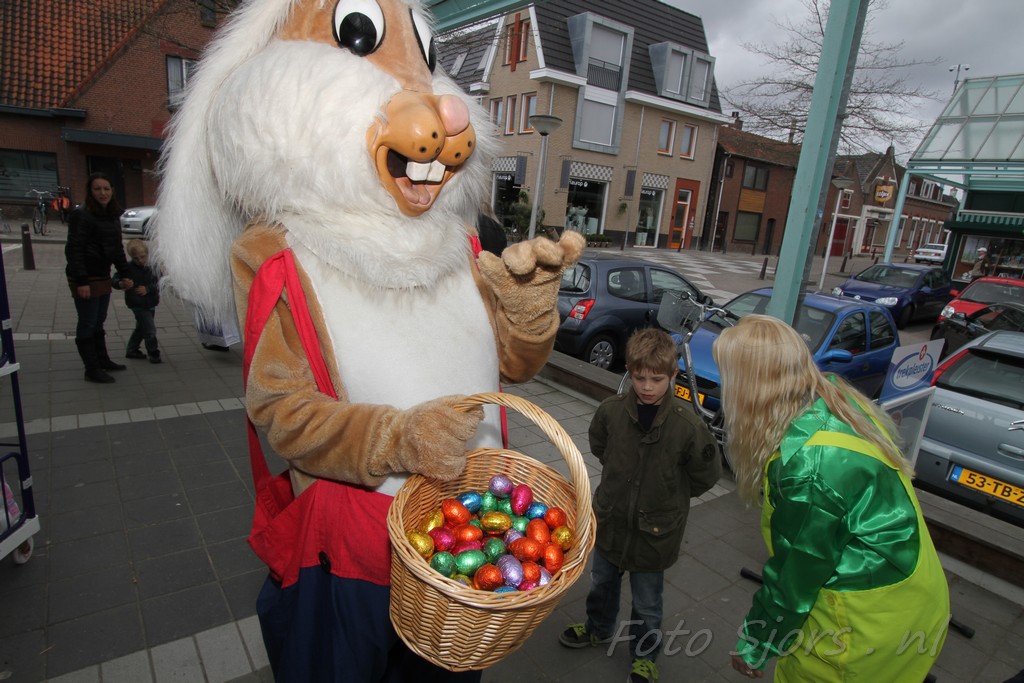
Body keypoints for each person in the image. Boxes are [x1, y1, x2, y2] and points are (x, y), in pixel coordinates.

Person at [712, 315, 949, 681]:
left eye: (729, 376)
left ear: (751, 386)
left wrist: (755, 644)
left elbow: (796, 576)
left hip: (863, 626)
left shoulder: (808, 469)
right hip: (910, 595)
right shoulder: (834, 398)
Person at [559, 328, 721, 683]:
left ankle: (645, 656)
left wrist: (670, 495)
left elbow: (706, 475)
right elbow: (600, 446)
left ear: (674, 375)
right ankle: (598, 627)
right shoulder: (611, 412)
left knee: (648, 602)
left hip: (655, 534)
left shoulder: (687, 427)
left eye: (657, 379)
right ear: (629, 372)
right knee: (602, 584)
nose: (647, 387)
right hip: (612, 522)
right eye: (639, 377)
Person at [65, 172, 133, 384]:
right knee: (88, 322)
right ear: (90, 191)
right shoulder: (82, 215)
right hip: (86, 277)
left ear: (112, 191)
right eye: (98, 189)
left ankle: (102, 360)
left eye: (106, 188)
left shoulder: (111, 215)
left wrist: (126, 273)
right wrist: (82, 281)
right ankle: (91, 369)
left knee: (99, 321)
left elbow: (116, 248)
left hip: (102, 275)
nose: (103, 193)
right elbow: (74, 249)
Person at [116, 239, 161, 364]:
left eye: (142, 257)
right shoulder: (128, 268)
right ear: (131, 257)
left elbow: (160, 282)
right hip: (137, 304)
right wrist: (121, 283)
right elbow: (116, 279)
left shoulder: (153, 266)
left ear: (147, 254)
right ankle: (153, 352)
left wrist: (148, 289)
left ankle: (132, 349)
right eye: (136, 258)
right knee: (150, 329)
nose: (140, 260)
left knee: (142, 328)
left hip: (150, 302)